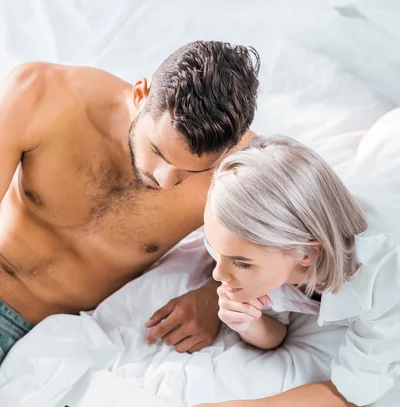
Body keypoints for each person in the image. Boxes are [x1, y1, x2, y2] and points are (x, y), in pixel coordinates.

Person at [134, 135, 400, 407]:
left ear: (306, 254)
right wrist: (249, 323)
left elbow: (351, 394)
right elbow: (276, 335)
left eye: (241, 263)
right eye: (216, 250)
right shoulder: (270, 248)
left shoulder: (383, 278)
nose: (217, 274)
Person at [0, 41, 260, 364]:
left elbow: (283, 253)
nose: (165, 181)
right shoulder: (40, 94)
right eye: (158, 152)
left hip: (57, 340)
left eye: (190, 172)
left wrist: (213, 298)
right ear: (141, 95)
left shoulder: (239, 172)